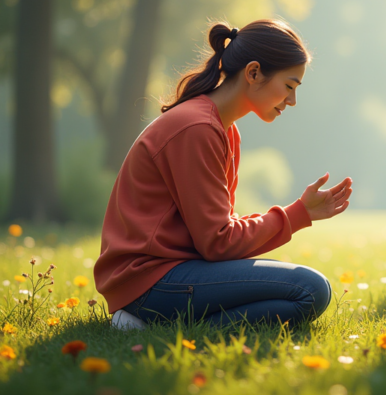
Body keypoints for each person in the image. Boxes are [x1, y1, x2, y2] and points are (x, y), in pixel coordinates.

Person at [94, 19, 352, 330]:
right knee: (310, 289)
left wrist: (300, 214)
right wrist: (297, 214)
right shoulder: (197, 128)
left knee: (298, 287)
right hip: (149, 282)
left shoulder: (224, 130)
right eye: (289, 86)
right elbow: (218, 244)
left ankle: (163, 326)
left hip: (175, 271)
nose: (292, 100)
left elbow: (219, 234)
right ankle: (159, 326)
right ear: (253, 73)